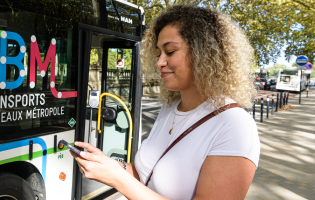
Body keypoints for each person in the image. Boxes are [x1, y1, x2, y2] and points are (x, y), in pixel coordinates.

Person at [72, 5, 260, 200]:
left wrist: (118, 179)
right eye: (158, 53)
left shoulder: (234, 125)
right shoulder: (170, 107)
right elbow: (145, 174)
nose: (159, 62)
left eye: (170, 51)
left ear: (205, 54)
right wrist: (111, 166)